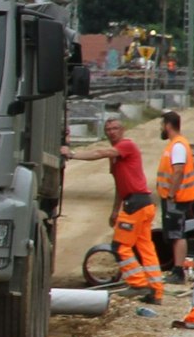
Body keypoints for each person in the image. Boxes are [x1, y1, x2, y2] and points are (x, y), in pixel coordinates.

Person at [62, 116, 164, 303]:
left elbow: (99, 152)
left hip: (136, 204)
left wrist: (72, 154)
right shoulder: (116, 157)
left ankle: (138, 283)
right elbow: (120, 184)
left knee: (120, 246)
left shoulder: (126, 146)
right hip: (141, 204)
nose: (111, 132)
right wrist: (115, 209)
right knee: (145, 248)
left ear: (122, 129)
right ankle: (155, 291)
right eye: (108, 129)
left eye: (115, 128)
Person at [157, 110, 194, 283]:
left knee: (177, 233)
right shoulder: (175, 144)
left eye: (162, 125)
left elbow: (179, 171)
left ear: (168, 125)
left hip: (177, 197)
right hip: (175, 196)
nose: (161, 128)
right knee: (174, 233)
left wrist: (171, 194)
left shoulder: (178, 146)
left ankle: (178, 271)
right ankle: (177, 269)